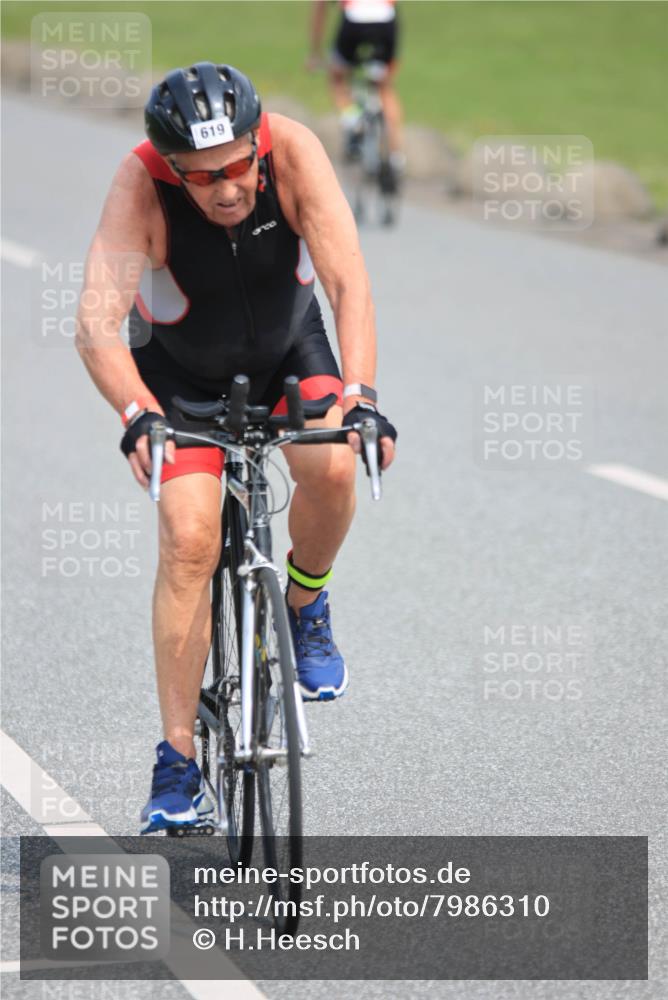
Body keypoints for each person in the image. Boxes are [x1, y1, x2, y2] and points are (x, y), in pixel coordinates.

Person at [75, 62, 397, 833]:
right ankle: (178, 765)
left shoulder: (293, 153)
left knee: (331, 460)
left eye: (235, 167)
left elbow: (349, 282)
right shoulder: (139, 186)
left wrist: (365, 398)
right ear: (171, 168)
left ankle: (305, 601)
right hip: (179, 376)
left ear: (258, 143)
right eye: (200, 176)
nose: (224, 188)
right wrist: (136, 415)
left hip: (291, 352)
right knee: (189, 539)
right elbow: (96, 322)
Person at [308, 0, 404, 174]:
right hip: (386, 20)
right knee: (385, 88)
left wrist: (315, 52)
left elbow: (320, 7)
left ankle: (353, 119)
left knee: (337, 77)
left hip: (353, 21)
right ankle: (395, 156)